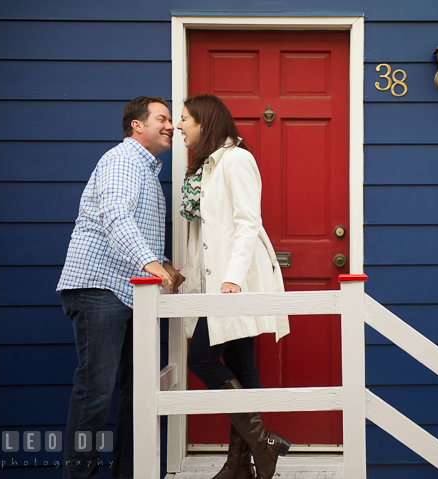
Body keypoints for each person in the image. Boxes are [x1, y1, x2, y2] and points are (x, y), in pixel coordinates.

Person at [56, 96, 185, 479]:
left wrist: (164, 267)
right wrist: (152, 267)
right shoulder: (122, 161)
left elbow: (136, 229)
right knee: (95, 393)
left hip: (130, 294)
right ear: (137, 126)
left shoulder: (145, 169)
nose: (171, 126)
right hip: (99, 288)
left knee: (138, 391)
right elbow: (115, 217)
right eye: (161, 119)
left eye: (172, 120)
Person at [177, 94, 290, 479]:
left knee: (202, 360)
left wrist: (231, 278)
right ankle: (239, 463)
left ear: (204, 122)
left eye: (185, 119)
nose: (179, 126)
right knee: (243, 363)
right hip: (217, 282)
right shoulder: (206, 166)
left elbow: (247, 222)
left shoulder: (237, 159)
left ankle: (263, 445)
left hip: (233, 281)